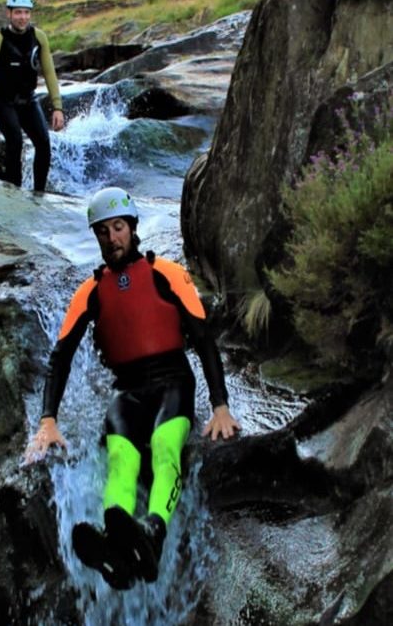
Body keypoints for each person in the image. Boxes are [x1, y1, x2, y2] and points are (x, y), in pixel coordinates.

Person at [25, 187, 241, 590]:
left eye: (118, 228)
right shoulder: (89, 293)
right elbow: (61, 356)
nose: (112, 238)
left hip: (172, 384)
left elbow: (204, 339)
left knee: (164, 448)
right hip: (126, 393)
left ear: (133, 227)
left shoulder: (168, 274)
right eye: (103, 232)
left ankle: (153, 534)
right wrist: (48, 420)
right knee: (121, 459)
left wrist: (220, 406)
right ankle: (117, 544)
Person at [0, 0, 64, 192]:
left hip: (28, 101)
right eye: (18, 12)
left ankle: (39, 193)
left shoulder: (39, 38)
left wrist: (58, 107)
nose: (23, 17)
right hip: (3, 102)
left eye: (26, 12)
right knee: (15, 141)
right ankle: (13, 192)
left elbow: (49, 73)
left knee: (44, 143)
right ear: (9, 13)